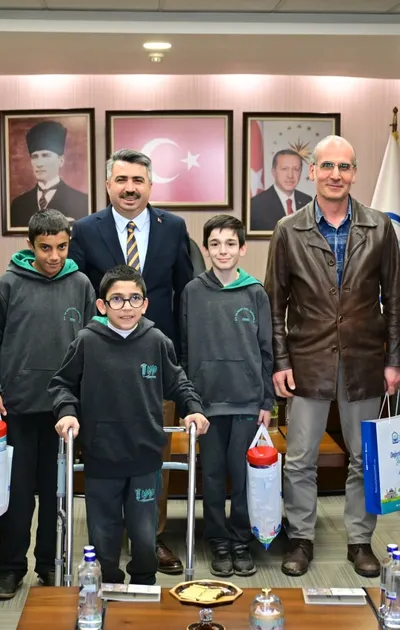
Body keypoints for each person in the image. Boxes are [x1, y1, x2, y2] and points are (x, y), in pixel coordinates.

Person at [264, 135, 400, 578]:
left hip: (365, 359)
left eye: (344, 167)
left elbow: (394, 299)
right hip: (307, 360)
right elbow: (274, 304)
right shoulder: (288, 229)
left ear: (355, 173)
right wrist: (280, 361)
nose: (335, 175)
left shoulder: (380, 227)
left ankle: (360, 541)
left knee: (364, 458)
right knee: (300, 459)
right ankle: (301, 539)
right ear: (313, 172)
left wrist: (395, 360)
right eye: (327, 166)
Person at [69, 148, 195, 573]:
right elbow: (79, 296)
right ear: (108, 184)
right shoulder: (85, 229)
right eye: (121, 180)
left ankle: (151, 538)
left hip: (155, 361)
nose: (129, 188)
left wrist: (182, 358)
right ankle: (105, 542)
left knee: (152, 450)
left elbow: (184, 294)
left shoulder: (173, 227)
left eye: (138, 180)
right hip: (102, 365)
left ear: (150, 185)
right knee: (105, 450)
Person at [50, 264, 208, 586]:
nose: (126, 307)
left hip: (145, 458)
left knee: (145, 535)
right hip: (101, 456)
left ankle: (143, 584)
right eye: (117, 299)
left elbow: (178, 383)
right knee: (103, 536)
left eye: (134, 298)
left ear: (145, 304)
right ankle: (106, 585)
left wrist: (192, 409)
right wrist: (67, 412)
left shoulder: (156, 340)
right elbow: (62, 384)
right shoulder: (86, 341)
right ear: (102, 305)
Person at [0, 210, 96, 599]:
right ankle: (10, 568)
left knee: (55, 494)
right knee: (16, 495)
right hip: (16, 405)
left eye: (61, 247)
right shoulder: (8, 283)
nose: (54, 256)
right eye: (45, 248)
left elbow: (91, 344)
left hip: (62, 411)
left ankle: (49, 563)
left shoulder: (81, 284)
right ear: (30, 245)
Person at [180, 214, 274, 578]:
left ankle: (240, 540)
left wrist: (266, 401)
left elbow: (266, 351)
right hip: (206, 403)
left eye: (230, 244)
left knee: (243, 475)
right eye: (215, 244)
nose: (223, 250)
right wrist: (190, 401)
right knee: (213, 475)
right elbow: (184, 350)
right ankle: (218, 540)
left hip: (246, 400)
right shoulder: (192, 292)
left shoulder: (255, 292)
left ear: (242, 249)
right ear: (205, 249)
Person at [9, 120, 90, 226]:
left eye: (46, 156)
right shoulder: (18, 205)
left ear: (61, 161)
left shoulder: (82, 202)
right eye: (35, 157)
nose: (39, 164)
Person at [249, 149, 313, 232]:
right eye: (284, 169)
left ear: (300, 172)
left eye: (296, 169)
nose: (290, 175)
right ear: (273, 172)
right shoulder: (256, 205)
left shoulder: (307, 201)